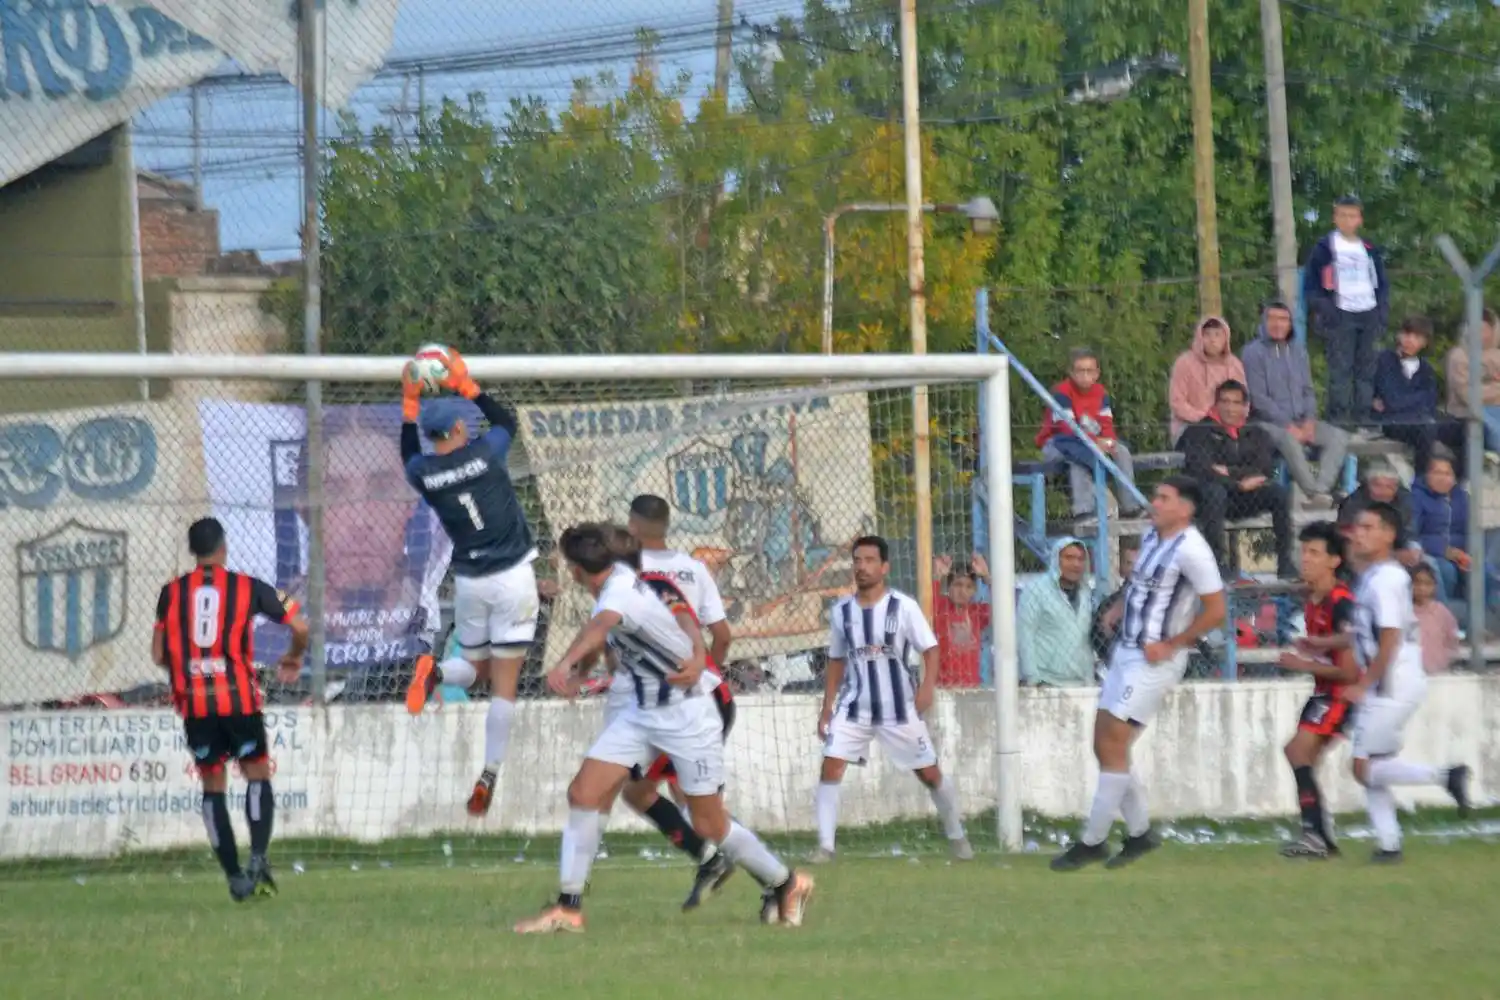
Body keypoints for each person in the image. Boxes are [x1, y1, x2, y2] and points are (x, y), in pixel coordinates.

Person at [516, 524, 812, 933]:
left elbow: (602, 628)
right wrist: (581, 672)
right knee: (584, 792)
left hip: (689, 714)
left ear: (578, 569)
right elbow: (608, 636)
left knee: (708, 822)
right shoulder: (614, 589)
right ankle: (568, 909)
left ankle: (785, 882)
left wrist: (565, 663)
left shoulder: (621, 591)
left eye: (565, 563)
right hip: (643, 714)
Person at [1051, 476, 1225, 872]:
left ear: (1186, 508)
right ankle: (1140, 833)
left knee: (1112, 741)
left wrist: (1173, 642)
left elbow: (1216, 611)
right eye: (1156, 496)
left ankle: (1093, 841)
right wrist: (1118, 608)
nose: (1155, 503)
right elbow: (1140, 583)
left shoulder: (1194, 550)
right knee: (1104, 744)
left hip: (1155, 660)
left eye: (1164, 498)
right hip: (1127, 651)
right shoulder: (1151, 537)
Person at [401, 349, 539, 818]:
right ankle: (489, 773)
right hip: (513, 577)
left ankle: (436, 671)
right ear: (459, 430)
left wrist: (408, 404)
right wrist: (467, 385)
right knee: (504, 686)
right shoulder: (485, 453)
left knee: (475, 671)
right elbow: (505, 422)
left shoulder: (425, 474)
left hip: (471, 583)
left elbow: (408, 455)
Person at [153, 517, 309, 901]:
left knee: (212, 784)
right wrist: (292, 657)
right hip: (238, 699)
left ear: (193, 552)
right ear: (223, 547)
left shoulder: (170, 593)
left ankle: (235, 877)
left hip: (196, 705)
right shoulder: (248, 587)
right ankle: (258, 857)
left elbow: (159, 654)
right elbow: (300, 626)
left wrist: (188, 666)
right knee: (257, 774)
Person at [601, 507, 739, 912]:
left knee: (666, 799)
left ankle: (766, 877)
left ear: (631, 527)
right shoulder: (693, 568)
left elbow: (615, 644)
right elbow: (722, 633)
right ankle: (717, 862)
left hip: (664, 702)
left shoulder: (627, 574)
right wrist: (707, 667)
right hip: (702, 692)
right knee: (672, 796)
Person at [815, 536, 972, 862]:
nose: (862, 567)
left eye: (870, 560)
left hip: (898, 707)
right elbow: (836, 660)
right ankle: (825, 847)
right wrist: (827, 706)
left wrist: (927, 687)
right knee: (830, 766)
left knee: (928, 774)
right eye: (857, 560)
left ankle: (957, 835)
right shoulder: (841, 610)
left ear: (884, 567)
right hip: (854, 705)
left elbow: (930, 649)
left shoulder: (903, 606)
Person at [1344, 502, 1470, 861]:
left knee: (1363, 767)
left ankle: (1446, 776)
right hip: (1395, 678)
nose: (1360, 534)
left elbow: (1389, 636)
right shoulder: (1377, 574)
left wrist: (1365, 681)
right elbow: (1370, 632)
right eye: (1358, 528)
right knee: (1373, 763)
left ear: (1389, 534)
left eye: (1369, 527)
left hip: (1391, 681)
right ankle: (1388, 845)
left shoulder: (1386, 579)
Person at [1273, 521, 1359, 859]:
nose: (1305, 559)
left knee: (1298, 752)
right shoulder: (1313, 600)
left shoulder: (1342, 604)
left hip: (1341, 693)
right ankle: (1320, 836)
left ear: (1334, 561)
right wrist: (1311, 651)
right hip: (1325, 691)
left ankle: (1315, 834)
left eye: (1314, 553)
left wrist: (1303, 664)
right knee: (1303, 757)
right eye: (1303, 551)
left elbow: (1350, 671)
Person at [1178, 380, 1293, 577]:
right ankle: (1217, 563)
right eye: (1225, 402)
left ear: (1244, 406)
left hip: (1244, 498)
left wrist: (1229, 472)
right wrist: (1239, 482)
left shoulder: (1256, 433)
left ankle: (1286, 563)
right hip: (1208, 501)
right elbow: (1201, 470)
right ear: (1216, 404)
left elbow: (1266, 468)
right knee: (1214, 491)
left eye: (1236, 402)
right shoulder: (1199, 431)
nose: (1230, 408)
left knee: (1279, 494)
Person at [1241, 299, 1350, 505]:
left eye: (1283, 319)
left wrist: (1309, 421)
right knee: (1288, 439)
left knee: (1338, 436)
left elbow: (1308, 390)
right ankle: (1313, 493)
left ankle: (1321, 491)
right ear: (1263, 322)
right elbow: (1259, 398)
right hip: (1267, 424)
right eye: (1272, 318)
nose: (1278, 324)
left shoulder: (1299, 351)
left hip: (1302, 421)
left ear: (1290, 323)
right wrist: (1289, 426)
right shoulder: (1252, 352)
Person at [1303, 195, 1390, 426]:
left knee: (1366, 368)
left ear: (1360, 219)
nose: (1347, 219)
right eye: (1342, 215)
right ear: (1335, 218)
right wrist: (1325, 308)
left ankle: (1363, 416)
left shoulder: (1369, 248)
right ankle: (1339, 418)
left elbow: (1381, 283)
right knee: (1340, 369)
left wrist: (1382, 311)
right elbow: (1311, 285)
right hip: (1340, 313)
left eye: (1352, 215)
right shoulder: (1325, 248)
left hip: (1368, 312)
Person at [1036, 347, 1146, 520]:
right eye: (1080, 371)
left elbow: (1106, 423)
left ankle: (1130, 505)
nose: (1085, 376)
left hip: (1089, 442)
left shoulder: (1100, 393)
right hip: (1058, 443)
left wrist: (1108, 442)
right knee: (1079, 458)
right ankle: (1083, 510)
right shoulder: (1062, 392)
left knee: (1121, 451)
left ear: (1097, 373)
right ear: (1071, 372)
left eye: (1089, 371)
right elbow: (1067, 427)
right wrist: (1095, 442)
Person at [1374, 315, 1464, 479]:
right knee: (1425, 429)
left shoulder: (1426, 369)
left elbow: (1430, 401)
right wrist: (1419, 399)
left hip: (1424, 418)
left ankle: (1456, 481)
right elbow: (1392, 400)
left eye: (1416, 337)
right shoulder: (1385, 360)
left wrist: (1411, 400)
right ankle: (1421, 483)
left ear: (1424, 342)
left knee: (1466, 428)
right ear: (1399, 335)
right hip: (1394, 422)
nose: (1410, 340)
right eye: (1407, 334)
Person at [1017, 537, 1095, 687]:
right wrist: (1032, 678)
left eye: (1080, 559)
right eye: (1069, 558)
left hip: (1079, 683)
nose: (1076, 564)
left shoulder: (1086, 594)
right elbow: (1024, 634)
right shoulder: (1035, 590)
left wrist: (1089, 680)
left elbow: (1085, 641)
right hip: (1045, 682)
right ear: (1056, 559)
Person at [1169, 316, 1246, 446]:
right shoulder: (1184, 363)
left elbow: (1244, 401)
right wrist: (1208, 419)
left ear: (1225, 338)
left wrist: (1228, 420)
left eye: (1217, 335)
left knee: (1256, 439)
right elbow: (1177, 403)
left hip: (1229, 427)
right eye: (1207, 335)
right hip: (1190, 427)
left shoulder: (1234, 365)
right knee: (1206, 438)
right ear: (1199, 337)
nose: (1212, 340)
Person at [1410, 451, 1475, 601]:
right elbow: (1413, 535)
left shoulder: (1461, 497)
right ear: (1427, 475)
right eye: (1437, 472)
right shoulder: (1417, 497)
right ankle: (1444, 615)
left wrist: (1468, 554)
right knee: (1446, 570)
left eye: (1447, 473)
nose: (1442, 478)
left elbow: (1469, 531)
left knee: (1484, 571)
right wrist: (1444, 550)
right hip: (1431, 553)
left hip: (1461, 552)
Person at [1444, 307, 1500, 451]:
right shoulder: (1459, 355)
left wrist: (1487, 387)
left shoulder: (1497, 355)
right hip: (1468, 415)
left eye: (1485, 330)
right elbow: (1468, 395)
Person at [932, 554, 991, 688]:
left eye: (968, 587)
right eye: (958, 585)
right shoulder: (941, 608)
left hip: (971, 687)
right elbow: (928, 601)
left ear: (974, 590)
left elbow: (1002, 610)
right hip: (945, 688)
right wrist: (937, 576)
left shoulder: (976, 612)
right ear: (948, 587)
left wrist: (987, 577)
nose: (963, 591)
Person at [1410, 563, 1459, 675]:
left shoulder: (1441, 612)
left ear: (1435, 586)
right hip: (1411, 674)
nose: (1422, 588)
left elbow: (1452, 640)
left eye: (1427, 584)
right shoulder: (1405, 612)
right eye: (1417, 583)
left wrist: (1443, 659)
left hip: (1438, 673)